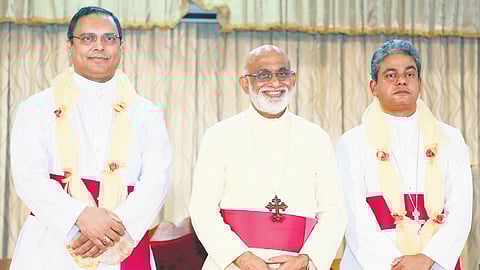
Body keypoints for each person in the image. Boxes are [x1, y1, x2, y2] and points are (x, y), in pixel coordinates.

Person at [10, 6, 172, 270]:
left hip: (124, 237)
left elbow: (158, 179)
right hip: (55, 238)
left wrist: (115, 228)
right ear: (69, 46)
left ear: (122, 47)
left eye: (109, 38)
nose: (99, 46)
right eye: (88, 38)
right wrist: (79, 216)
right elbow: (28, 178)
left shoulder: (147, 112)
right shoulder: (36, 107)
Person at [189, 45, 346, 270]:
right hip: (233, 264)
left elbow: (334, 210)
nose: (275, 83)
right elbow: (202, 209)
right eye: (263, 75)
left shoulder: (316, 137)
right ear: (245, 84)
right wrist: (242, 257)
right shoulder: (220, 135)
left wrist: (306, 259)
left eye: (282, 74)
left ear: (292, 80)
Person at [336, 39, 472, 270]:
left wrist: (427, 259)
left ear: (420, 83)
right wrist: (396, 265)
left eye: (409, 74)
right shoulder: (351, 142)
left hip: (435, 263)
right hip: (372, 263)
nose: (401, 80)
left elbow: (461, 209)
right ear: (373, 87)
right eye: (390, 75)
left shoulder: (451, 138)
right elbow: (353, 215)